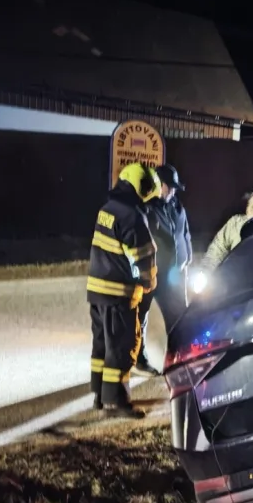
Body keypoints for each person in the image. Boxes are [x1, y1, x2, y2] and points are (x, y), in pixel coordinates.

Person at [87, 163, 161, 418]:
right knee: (121, 346)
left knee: (102, 346)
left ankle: (99, 396)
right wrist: (149, 282)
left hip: (97, 291)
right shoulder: (132, 215)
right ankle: (116, 403)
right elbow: (144, 255)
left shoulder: (107, 209)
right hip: (118, 293)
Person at [134, 164, 192, 376]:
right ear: (160, 186)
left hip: (175, 275)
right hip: (151, 273)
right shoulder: (145, 207)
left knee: (179, 318)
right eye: (171, 187)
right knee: (140, 317)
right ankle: (138, 359)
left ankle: (178, 359)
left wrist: (188, 257)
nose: (174, 191)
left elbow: (185, 234)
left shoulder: (177, 207)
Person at [200, 188, 253, 272]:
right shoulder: (235, 224)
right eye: (249, 204)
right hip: (232, 278)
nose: (250, 208)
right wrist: (207, 271)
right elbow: (217, 249)